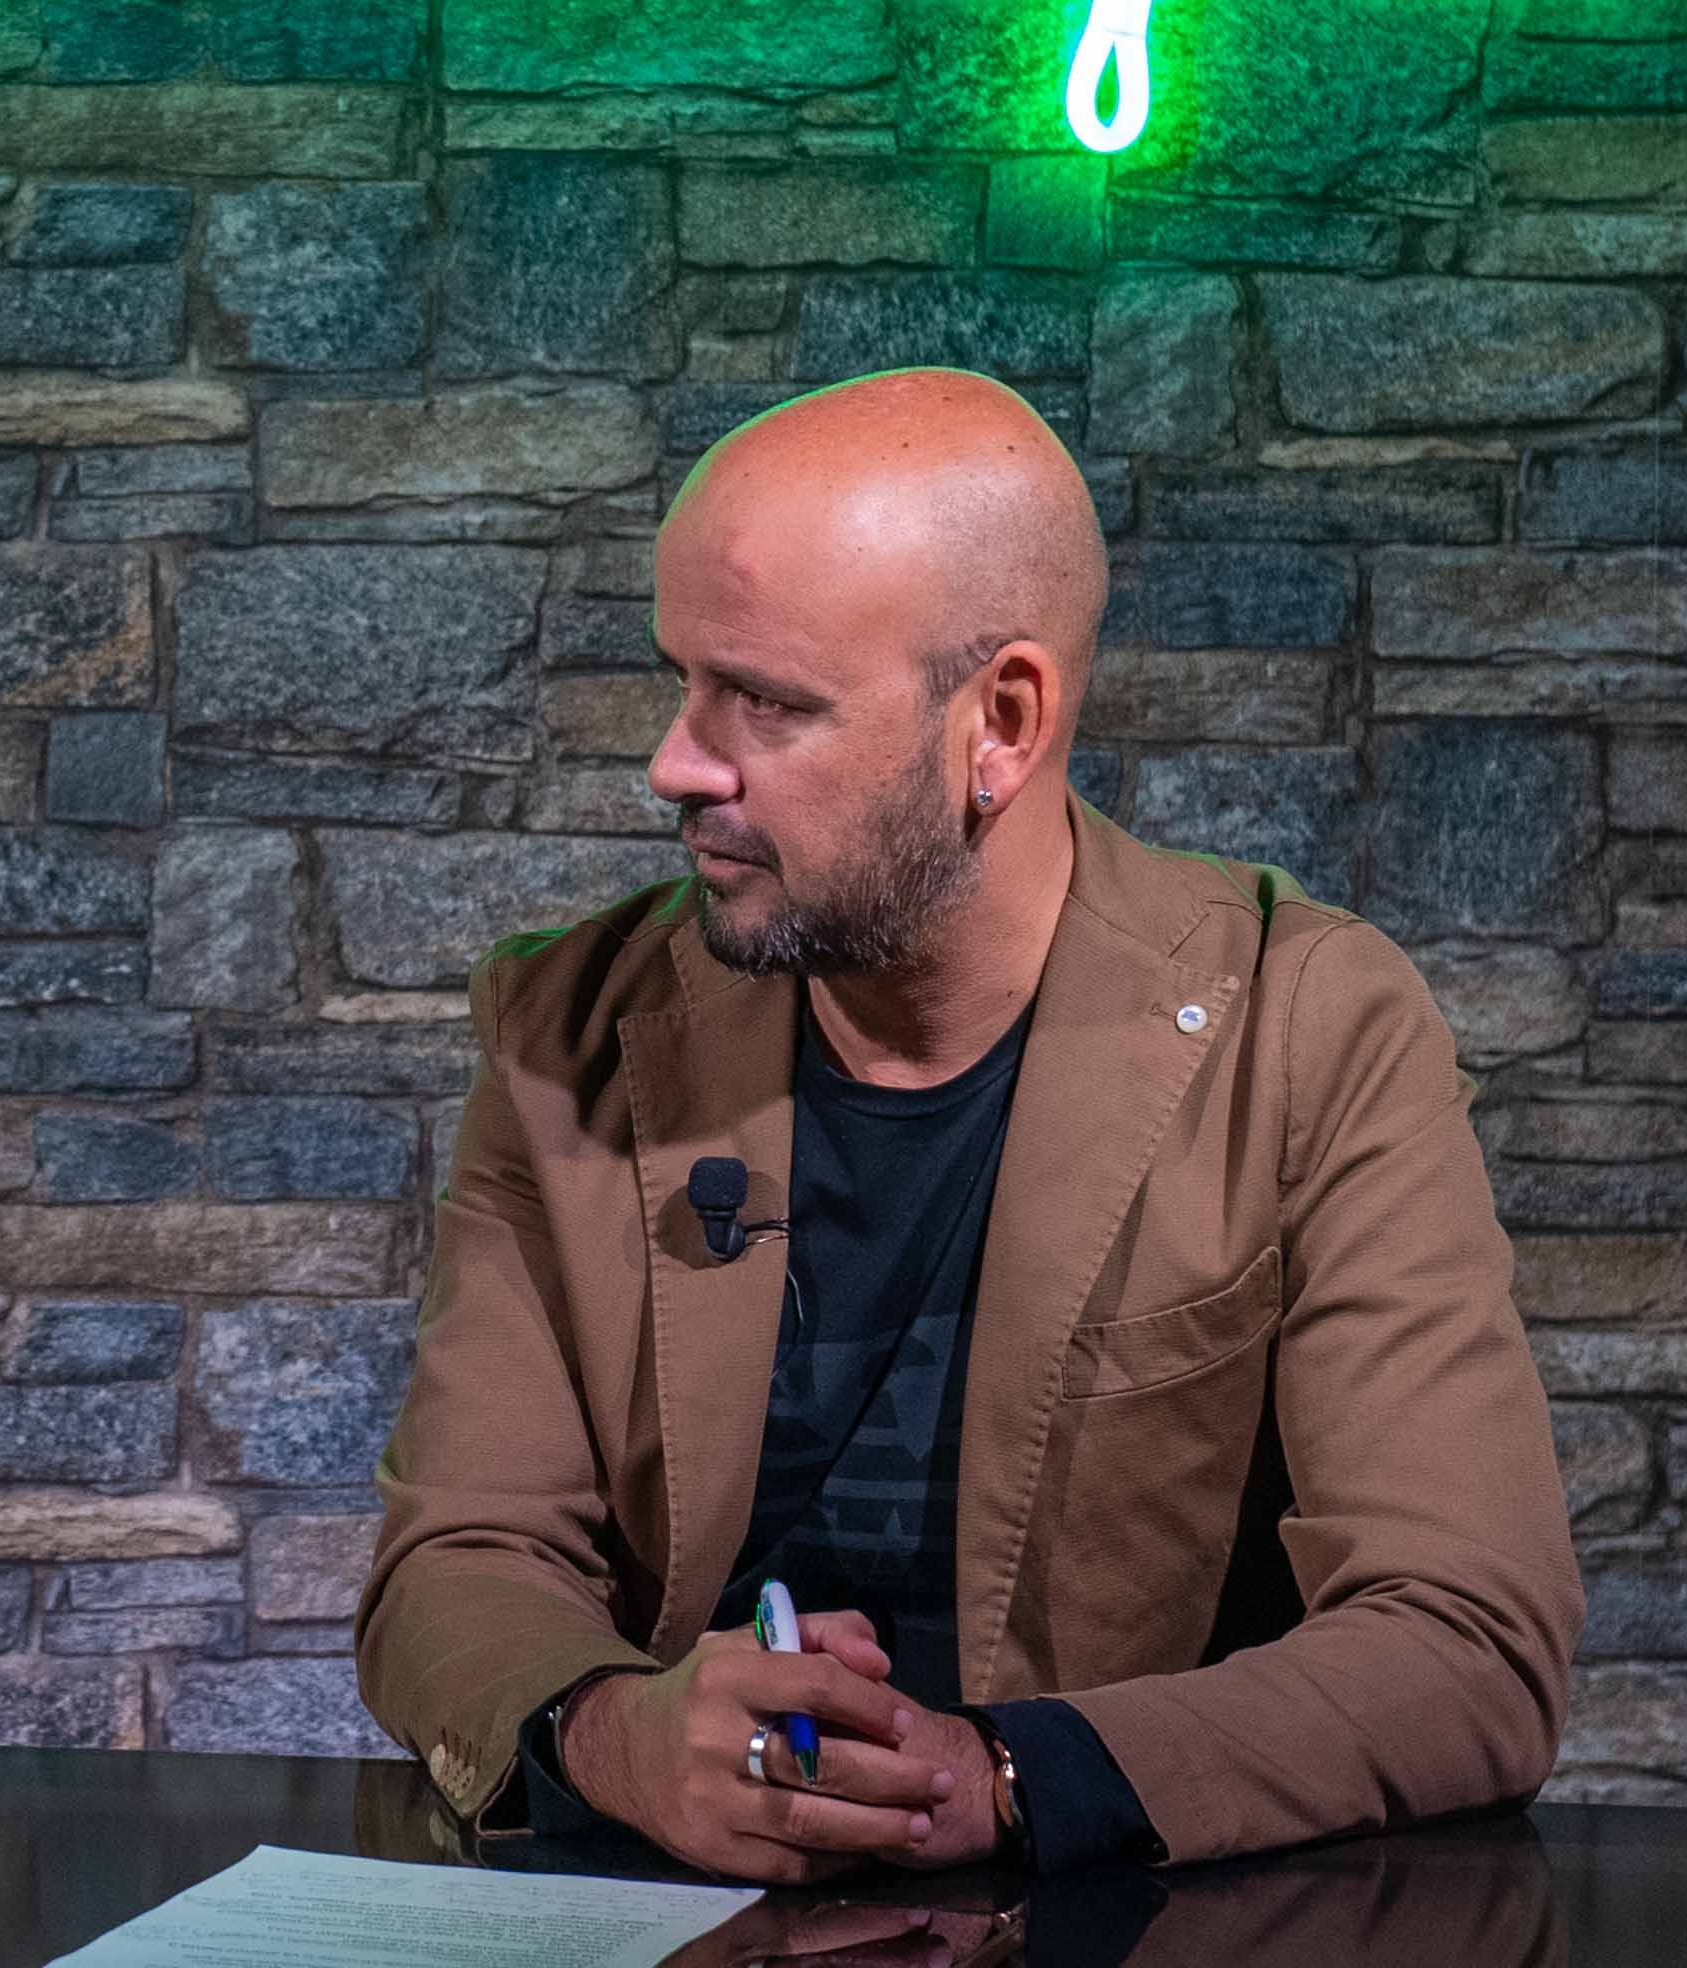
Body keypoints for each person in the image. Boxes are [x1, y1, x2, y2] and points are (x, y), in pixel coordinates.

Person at [358, 371, 1578, 1881]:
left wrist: (1002, 1776)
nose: (677, 763)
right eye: (684, 683)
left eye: (768, 703)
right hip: (672, 1967)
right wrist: (622, 1740)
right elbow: (456, 1561)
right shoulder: (568, 1029)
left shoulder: (1309, 1028)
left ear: (1000, 723)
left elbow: (1466, 1637)